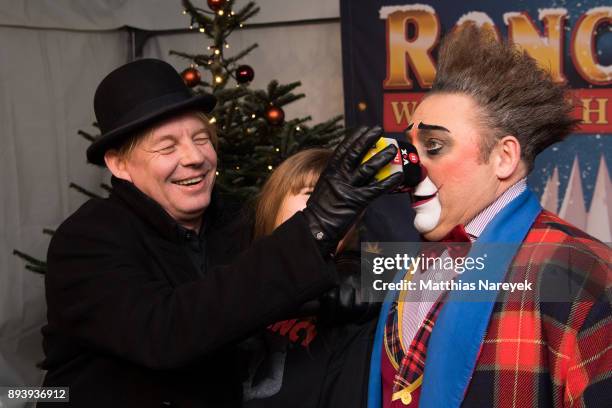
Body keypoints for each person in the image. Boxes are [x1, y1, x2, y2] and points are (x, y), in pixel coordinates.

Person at [40, 58, 403, 407]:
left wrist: (353, 272)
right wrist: (315, 227)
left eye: (201, 138)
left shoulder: (235, 220)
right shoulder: (85, 241)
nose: (195, 157)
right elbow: (167, 331)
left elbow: (284, 266)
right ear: (119, 164)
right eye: (168, 146)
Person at [367, 25, 611, 408]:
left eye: (433, 146)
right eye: (409, 149)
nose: (409, 168)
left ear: (503, 157)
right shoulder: (411, 265)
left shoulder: (584, 271)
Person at [242, 148, 377, 408]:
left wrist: (363, 278)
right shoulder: (235, 268)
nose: (331, 207)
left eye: (346, 200)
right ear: (275, 200)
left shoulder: (365, 281)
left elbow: (463, 267)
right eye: (312, 194)